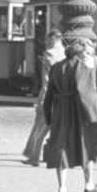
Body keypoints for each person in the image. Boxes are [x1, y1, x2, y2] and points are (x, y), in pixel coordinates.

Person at [44, 36, 97, 192]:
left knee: (61, 148)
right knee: (85, 146)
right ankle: (88, 185)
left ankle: (62, 189)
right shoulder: (85, 68)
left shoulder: (56, 68)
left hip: (61, 112)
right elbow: (90, 92)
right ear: (79, 55)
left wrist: (48, 116)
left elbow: (49, 94)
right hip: (80, 112)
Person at [22, 31, 65, 166]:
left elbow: (46, 80)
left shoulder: (49, 54)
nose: (46, 41)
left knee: (40, 127)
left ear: (52, 39)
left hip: (49, 95)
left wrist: (42, 99)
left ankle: (33, 156)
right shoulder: (65, 53)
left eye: (47, 39)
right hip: (62, 95)